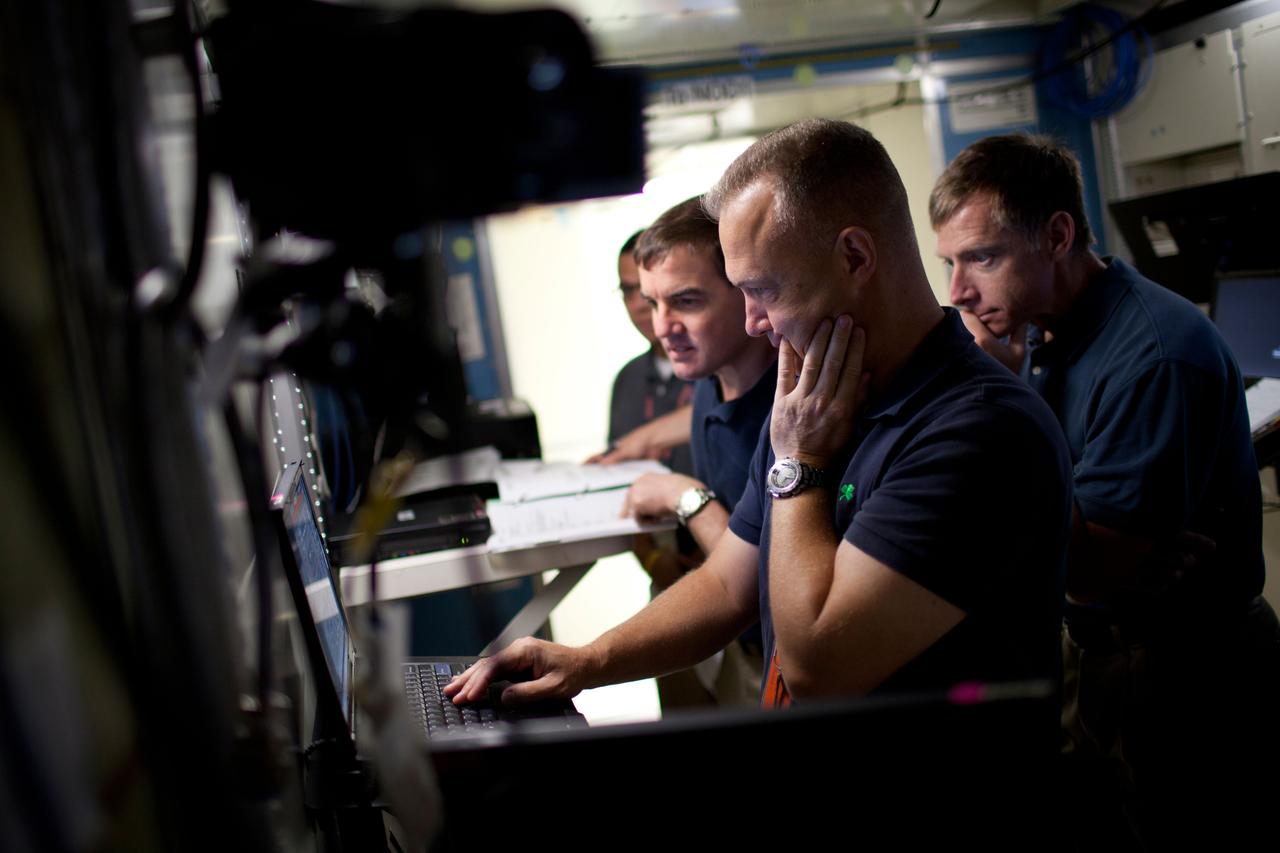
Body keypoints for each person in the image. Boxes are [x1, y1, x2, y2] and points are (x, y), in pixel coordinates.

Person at [447, 119, 1071, 720]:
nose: (752, 322)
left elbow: (819, 668)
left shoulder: (979, 429)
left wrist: (799, 463)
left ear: (855, 257)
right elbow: (728, 583)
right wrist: (586, 660)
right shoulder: (820, 398)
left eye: (765, 290)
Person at [930, 133, 1279, 847]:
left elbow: (1091, 569)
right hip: (1102, 655)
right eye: (950, 263)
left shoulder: (1153, 351)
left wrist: (1066, 548)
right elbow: (1077, 557)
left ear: (1057, 233)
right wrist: (1068, 540)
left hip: (1190, 677)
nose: (957, 291)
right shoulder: (1040, 335)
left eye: (981, 258)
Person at [618, 196, 777, 705]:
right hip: (732, 650)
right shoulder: (708, 379)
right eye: (651, 302)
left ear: (748, 293)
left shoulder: (795, 412)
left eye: (686, 301)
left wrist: (683, 494)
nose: (662, 327)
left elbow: (756, 583)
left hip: (783, 666)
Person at [600, 230, 695, 475]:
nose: (638, 306)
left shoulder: (717, 365)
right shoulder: (627, 378)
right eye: (627, 292)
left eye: (645, 291)